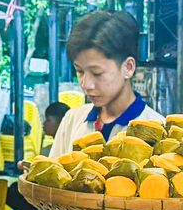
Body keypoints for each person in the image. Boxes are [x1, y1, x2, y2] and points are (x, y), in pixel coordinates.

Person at [48, 10, 165, 159]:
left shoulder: (158, 130)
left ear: (128, 67)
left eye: (97, 73)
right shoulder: (73, 120)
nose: (86, 85)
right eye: (79, 71)